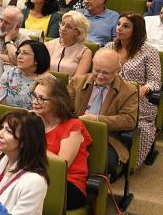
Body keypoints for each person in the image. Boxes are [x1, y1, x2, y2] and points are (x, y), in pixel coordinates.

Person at [68, 49, 139, 182]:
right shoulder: (77, 82)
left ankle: (91, 188)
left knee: (101, 161)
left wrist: (97, 119)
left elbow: (129, 120)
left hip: (107, 139)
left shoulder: (129, 91)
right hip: (74, 133)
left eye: (106, 73)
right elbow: (65, 108)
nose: (100, 76)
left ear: (118, 70)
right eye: (96, 70)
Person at [105, 12, 161, 165]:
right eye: (118, 24)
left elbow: (155, 82)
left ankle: (129, 162)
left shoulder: (149, 52)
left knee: (142, 127)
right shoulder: (109, 47)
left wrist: (143, 89)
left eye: (126, 26)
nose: (119, 28)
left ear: (136, 30)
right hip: (110, 96)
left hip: (136, 99)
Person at [30, 76, 92, 209]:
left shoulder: (73, 125)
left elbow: (62, 164)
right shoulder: (32, 120)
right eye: (34, 96)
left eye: (42, 98)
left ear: (57, 101)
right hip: (37, 177)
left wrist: (33, 144)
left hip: (68, 184)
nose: (35, 102)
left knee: (24, 189)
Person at [0, 41, 51, 109]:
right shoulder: (10, 72)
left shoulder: (48, 80)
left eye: (25, 53)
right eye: (18, 53)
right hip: (8, 114)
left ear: (37, 59)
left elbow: (47, 109)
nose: (19, 56)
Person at [45, 10, 93, 76]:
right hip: (46, 81)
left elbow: (77, 79)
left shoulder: (85, 53)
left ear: (78, 32)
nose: (63, 29)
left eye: (68, 27)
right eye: (62, 24)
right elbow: (40, 72)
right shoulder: (47, 45)